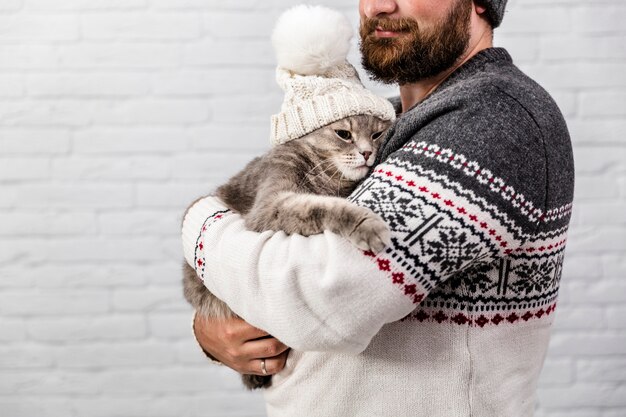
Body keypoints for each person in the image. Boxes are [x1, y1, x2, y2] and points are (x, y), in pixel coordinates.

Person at [183, 0, 574, 416]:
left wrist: (200, 221)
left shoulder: (491, 119)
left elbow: (316, 298)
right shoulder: (381, 121)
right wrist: (216, 325)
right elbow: (274, 285)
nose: (378, 6)